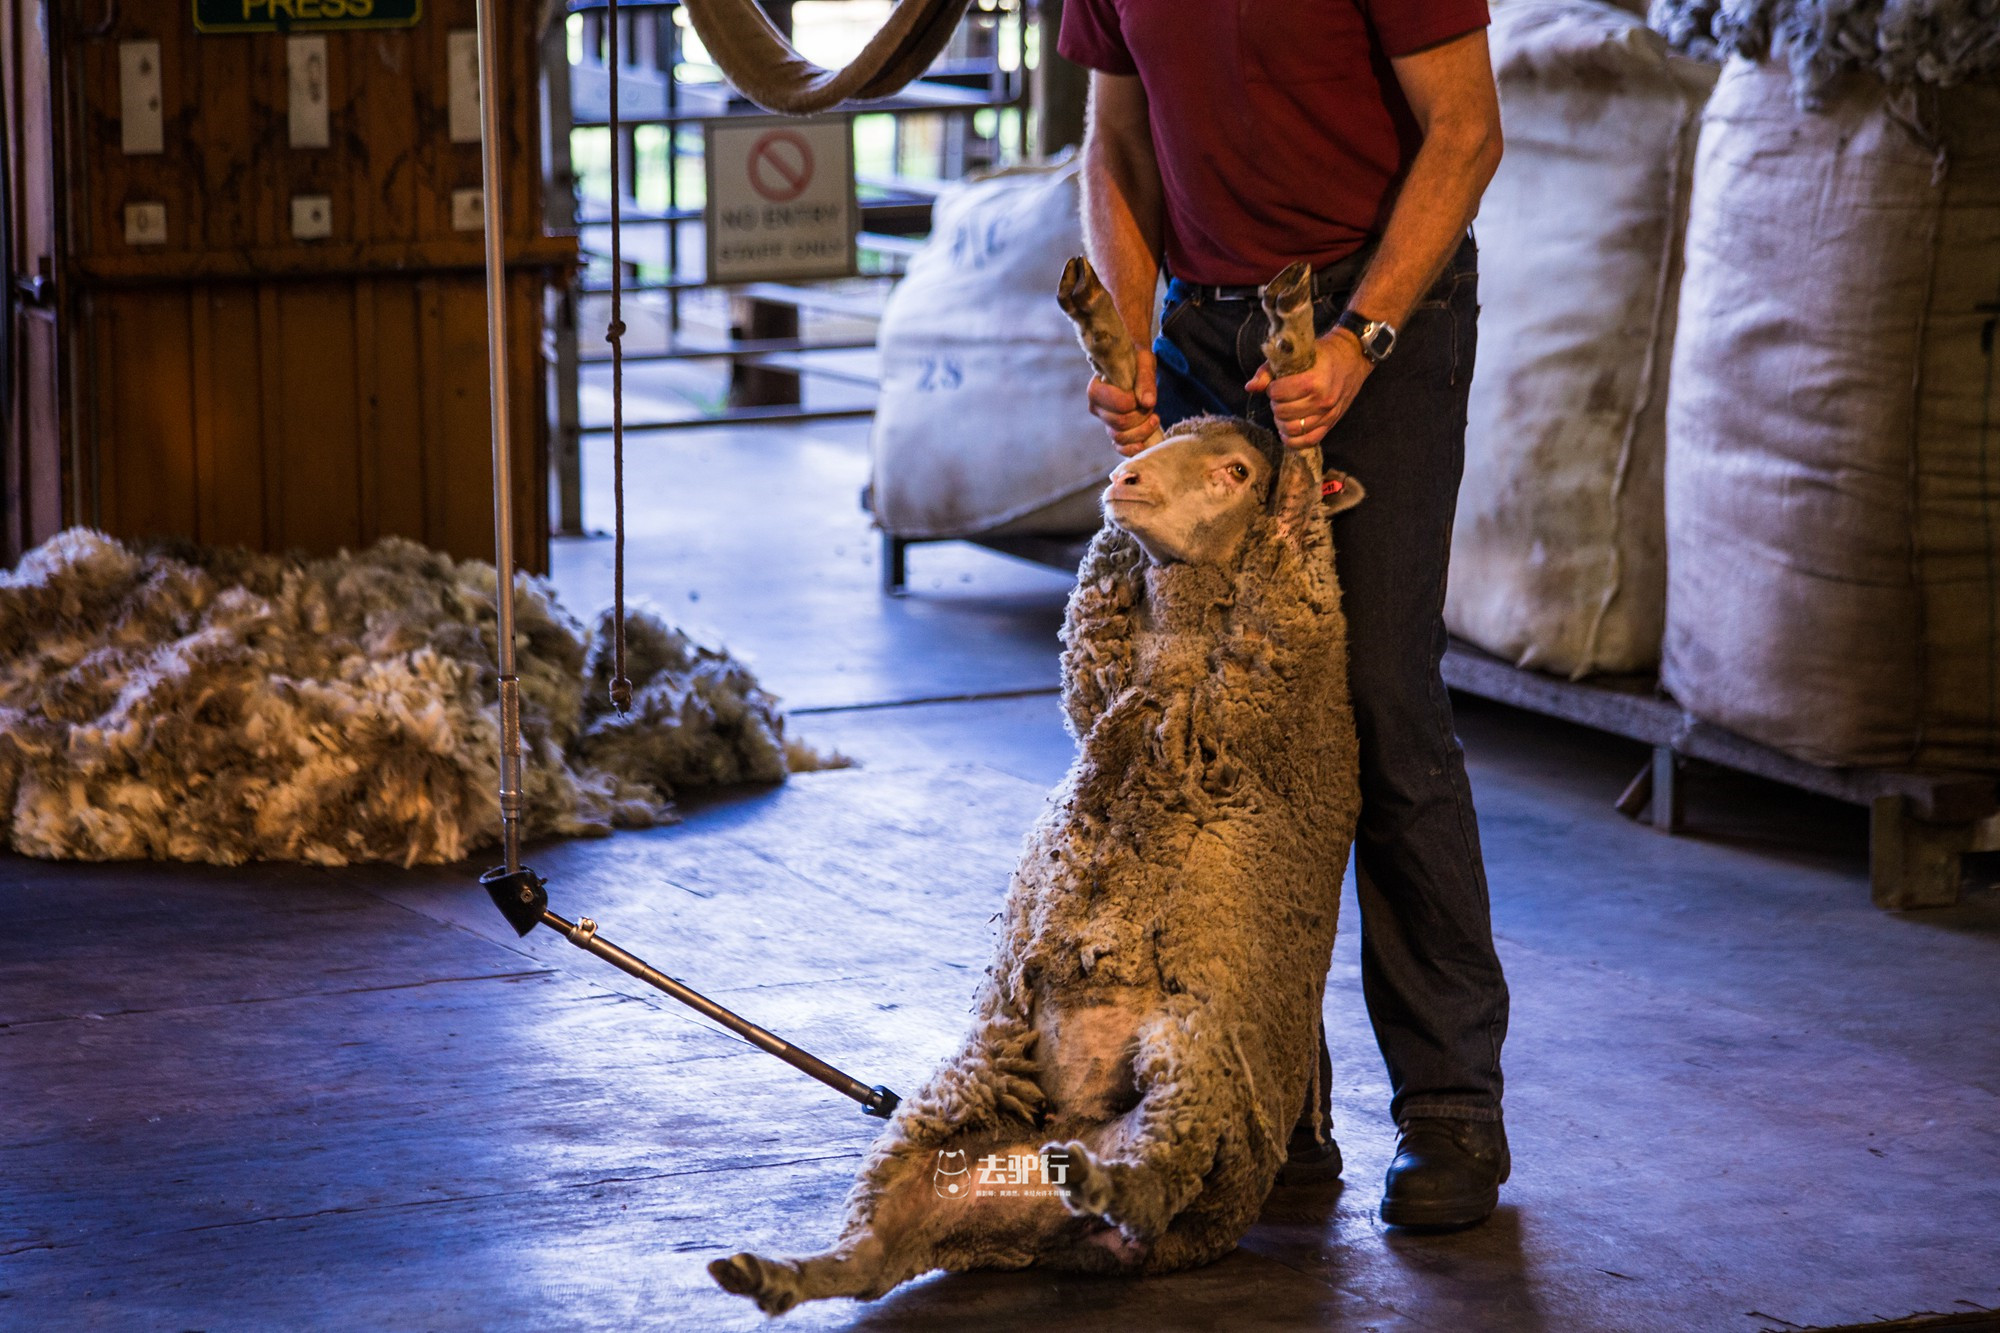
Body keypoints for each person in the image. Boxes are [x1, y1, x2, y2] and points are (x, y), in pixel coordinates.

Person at [1059, 0, 1513, 1230]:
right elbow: (1116, 140)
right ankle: (1270, 1107)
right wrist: (1128, 326)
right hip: (1206, 325)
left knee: (1372, 693)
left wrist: (1360, 340)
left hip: (1375, 307)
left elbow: (1466, 132)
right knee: (1213, 716)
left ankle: (1449, 1107)